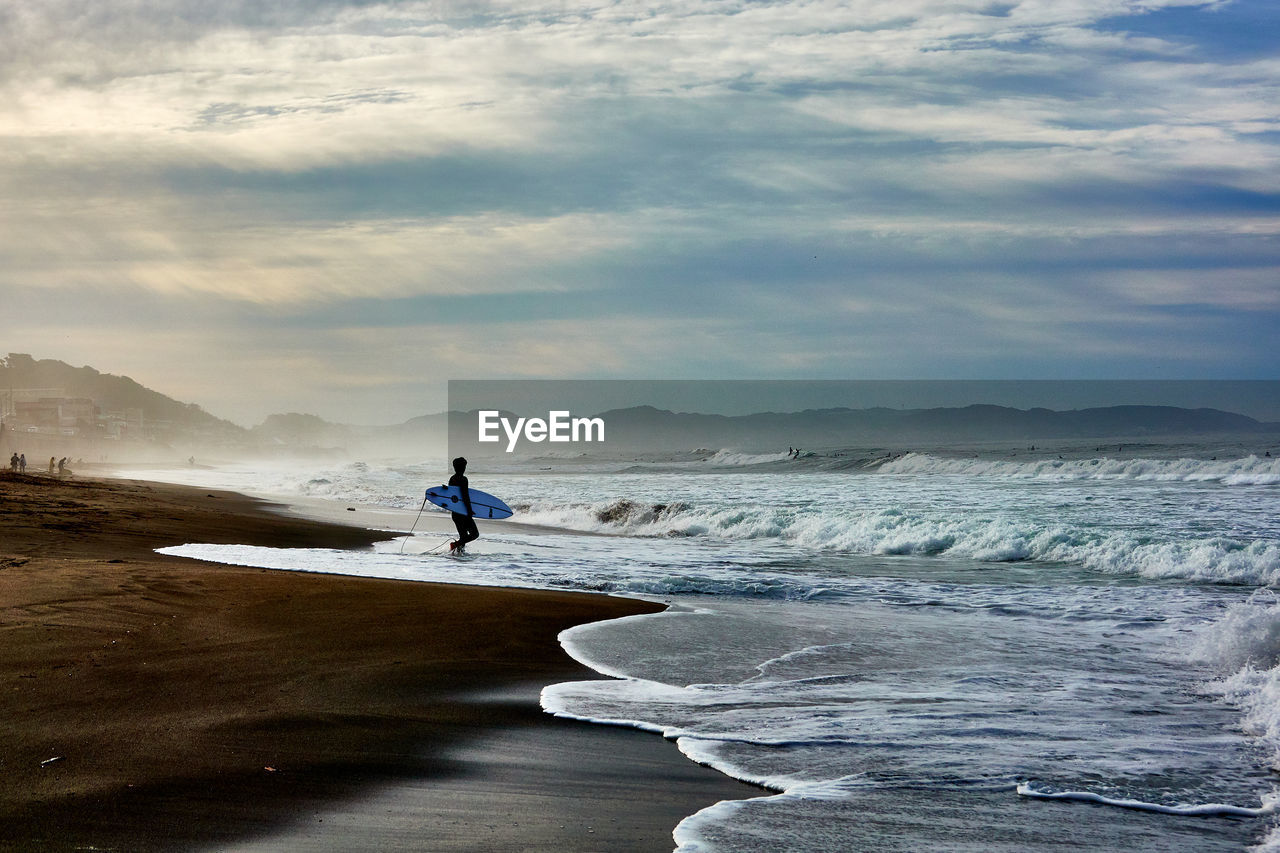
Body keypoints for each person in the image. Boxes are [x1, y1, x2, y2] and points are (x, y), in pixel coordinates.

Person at [448, 456, 480, 555]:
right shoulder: (463, 479)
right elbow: (465, 496)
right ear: (462, 467)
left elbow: (452, 497)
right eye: (464, 466)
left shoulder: (452, 479)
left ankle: (459, 554)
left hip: (455, 513)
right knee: (474, 534)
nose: (464, 468)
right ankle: (455, 546)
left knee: (464, 536)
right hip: (463, 512)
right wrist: (469, 511)